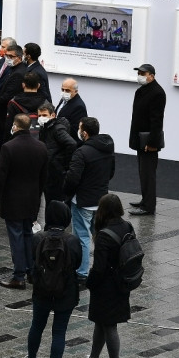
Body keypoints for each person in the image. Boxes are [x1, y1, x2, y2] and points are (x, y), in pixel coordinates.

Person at [24, 201, 82, 358]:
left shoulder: (38, 238)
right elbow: (78, 264)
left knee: (37, 326)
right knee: (59, 331)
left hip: (41, 290)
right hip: (66, 291)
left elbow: (31, 260)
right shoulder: (72, 241)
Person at [0, 114, 49, 289]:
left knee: (16, 237)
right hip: (32, 199)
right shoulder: (41, 147)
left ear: (15, 126)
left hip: (13, 200)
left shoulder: (8, 147)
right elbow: (44, 177)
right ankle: (31, 271)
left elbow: (0, 176)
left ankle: (18, 275)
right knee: (27, 234)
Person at [84, 194, 133, 358]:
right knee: (101, 322)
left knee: (109, 325)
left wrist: (89, 284)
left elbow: (99, 268)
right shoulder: (127, 226)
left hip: (106, 288)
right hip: (121, 284)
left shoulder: (104, 235)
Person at [63, 117, 115, 282]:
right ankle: (102, 268)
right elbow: (111, 173)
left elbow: (73, 178)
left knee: (82, 237)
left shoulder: (82, 152)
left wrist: (66, 193)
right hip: (101, 200)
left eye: (79, 128)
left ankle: (82, 271)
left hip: (83, 201)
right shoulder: (108, 149)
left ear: (84, 133)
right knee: (98, 236)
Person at [128, 63, 166, 216]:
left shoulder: (157, 93)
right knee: (143, 172)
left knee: (148, 173)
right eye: (139, 73)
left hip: (148, 142)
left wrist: (151, 143)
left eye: (143, 73)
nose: (140, 76)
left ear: (152, 75)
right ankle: (145, 200)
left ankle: (149, 206)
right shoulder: (141, 91)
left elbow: (157, 121)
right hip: (139, 140)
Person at [37, 103, 76, 206]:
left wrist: (61, 161)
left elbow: (71, 144)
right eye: (39, 115)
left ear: (53, 115)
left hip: (55, 172)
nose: (41, 118)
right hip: (49, 170)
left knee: (54, 201)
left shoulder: (57, 129)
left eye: (44, 115)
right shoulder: (45, 127)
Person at [0, 43, 27, 155]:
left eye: (11, 57)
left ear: (19, 58)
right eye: (6, 56)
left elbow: (8, 95)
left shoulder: (19, 73)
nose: (8, 59)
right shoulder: (13, 69)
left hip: (6, 114)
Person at [55, 78, 87, 143]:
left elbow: (75, 130)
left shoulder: (79, 106)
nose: (64, 92)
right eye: (62, 89)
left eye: (67, 90)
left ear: (76, 91)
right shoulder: (64, 99)